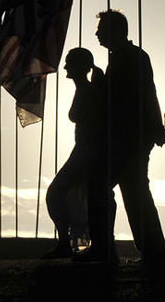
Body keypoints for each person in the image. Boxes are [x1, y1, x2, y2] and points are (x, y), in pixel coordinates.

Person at [75, 9, 165, 265]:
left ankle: (105, 249)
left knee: (100, 183)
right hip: (130, 136)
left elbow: (142, 94)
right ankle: (153, 253)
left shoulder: (130, 57)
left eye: (101, 29)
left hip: (129, 137)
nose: (97, 33)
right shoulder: (123, 57)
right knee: (134, 191)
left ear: (115, 31)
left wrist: (155, 128)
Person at [42, 47, 109, 259]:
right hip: (81, 149)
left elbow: (96, 127)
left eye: (69, 62)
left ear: (80, 67)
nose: (65, 66)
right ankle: (66, 241)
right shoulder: (84, 90)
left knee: (56, 192)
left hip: (87, 152)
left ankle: (66, 242)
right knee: (62, 194)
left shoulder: (88, 92)